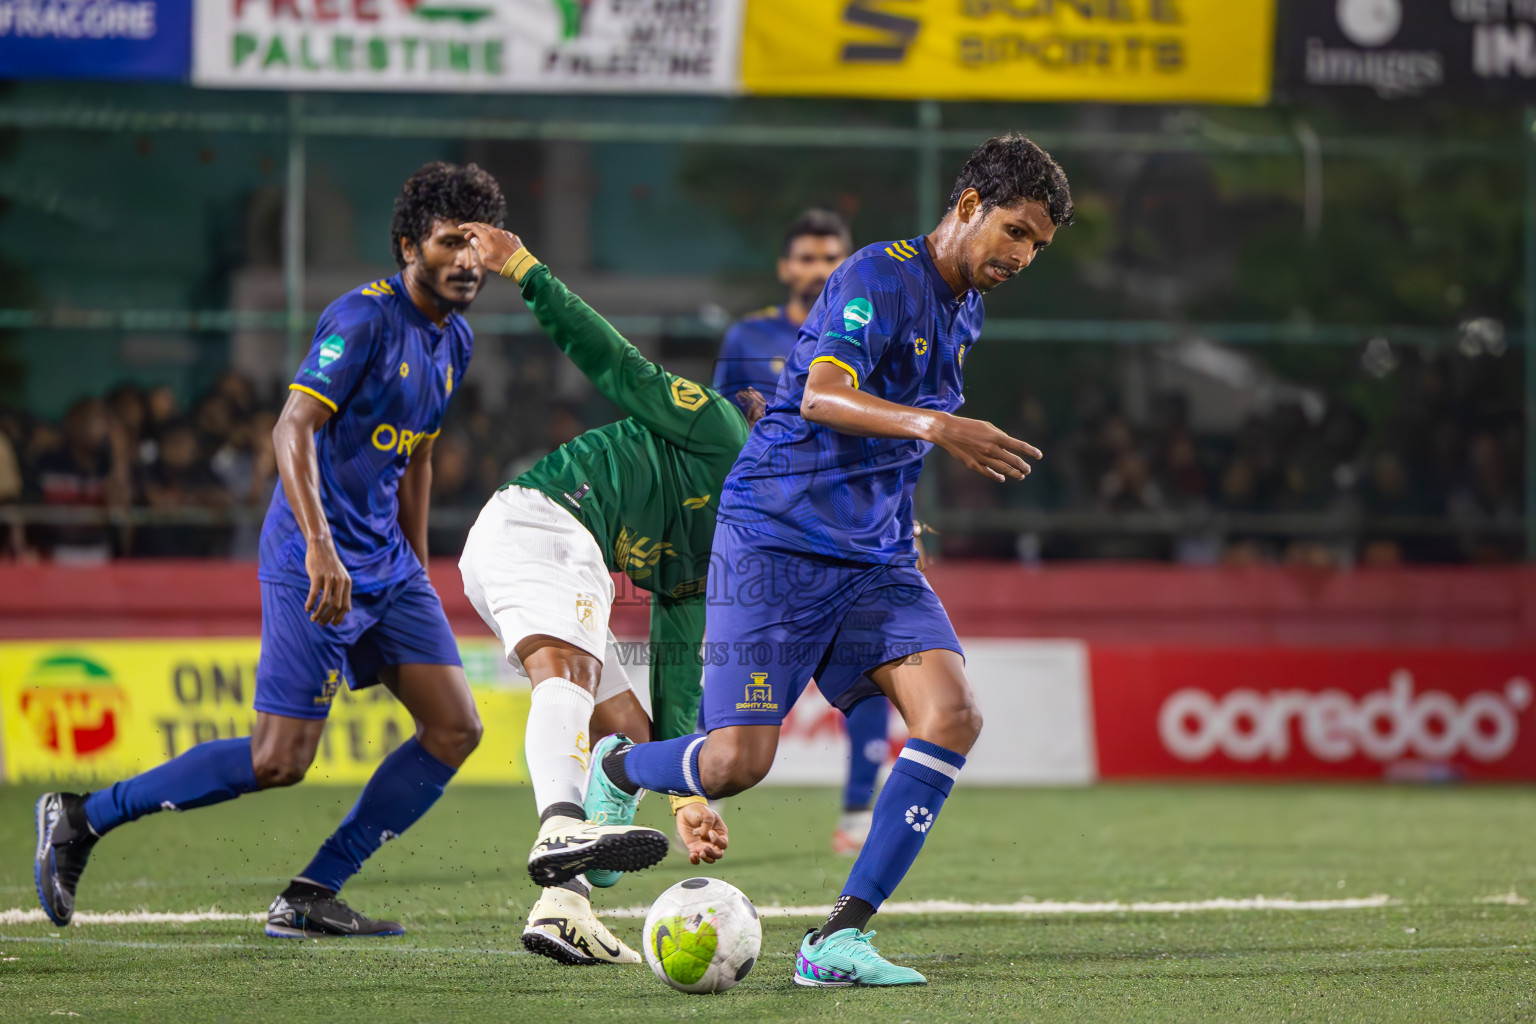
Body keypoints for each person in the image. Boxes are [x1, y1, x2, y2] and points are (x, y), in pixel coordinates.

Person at [584, 134, 1073, 986]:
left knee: (951, 715)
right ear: (967, 208)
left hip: (874, 557)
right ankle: (618, 764)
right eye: (1018, 233)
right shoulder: (877, 277)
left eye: (1038, 245)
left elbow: (896, 436)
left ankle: (837, 940)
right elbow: (822, 395)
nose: (1025, 256)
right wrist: (941, 427)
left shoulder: (969, 307)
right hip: (775, 537)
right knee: (738, 763)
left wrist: (901, 512)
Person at [33, 161, 506, 939]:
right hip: (312, 562)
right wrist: (321, 546)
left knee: (456, 727)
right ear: (407, 247)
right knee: (280, 760)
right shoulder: (361, 321)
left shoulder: (457, 340)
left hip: (386, 568)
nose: (467, 260)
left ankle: (312, 893)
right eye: (450, 241)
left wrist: (418, 561)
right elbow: (291, 428)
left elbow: (418, 451)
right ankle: (83, 816)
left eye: (478, 244)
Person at [455, 221, 754, 966]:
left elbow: (680, 679)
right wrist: (526, 269)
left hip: (534, 552)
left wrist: (689, 798)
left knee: (629, 725)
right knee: (572, 675)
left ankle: (565, 907)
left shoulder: (715, 560)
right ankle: (562, 820)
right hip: (545, 521)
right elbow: (616, 364)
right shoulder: (724, 433)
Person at [711, 209, 892, 856]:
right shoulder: (747, 336)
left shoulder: (871, 329)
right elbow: (717, 426)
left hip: (848, 541)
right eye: (807, 258)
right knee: (733, 696)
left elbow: (888, 434)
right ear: (787, 266)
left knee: (875, 677)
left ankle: (857, 817)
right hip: (764, 540)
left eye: (830, 259)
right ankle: (683, 794)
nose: (818, 271)